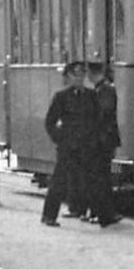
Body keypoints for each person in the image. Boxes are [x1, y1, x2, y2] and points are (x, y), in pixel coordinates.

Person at [41, 61, 98, 227]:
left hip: (86, 145)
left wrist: (95, 140)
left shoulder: (91, 96)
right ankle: (49, 216)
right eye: (75, 75)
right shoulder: (61, 97)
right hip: (68, 145)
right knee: (59, 181)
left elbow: (97, 119)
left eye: (82, 74)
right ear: (68, 78)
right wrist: (60, 138)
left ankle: (85, 211)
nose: (79, 78)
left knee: (88, 179)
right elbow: (50, 122)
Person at [86, 60, 122, 227]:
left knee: (102, 177)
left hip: (103, 141)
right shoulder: (101, 89)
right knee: (99, 177)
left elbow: (104, 112)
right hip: (100, 140)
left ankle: (102, 212)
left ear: (95, 74)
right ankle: (99, 212)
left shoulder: (106, 89)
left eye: (89, 74)